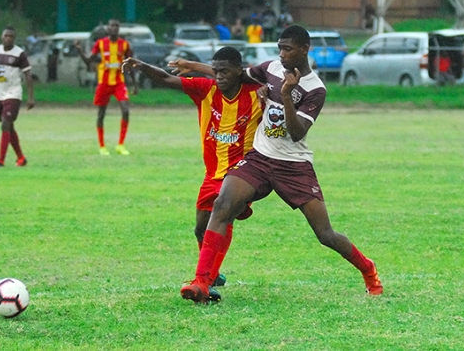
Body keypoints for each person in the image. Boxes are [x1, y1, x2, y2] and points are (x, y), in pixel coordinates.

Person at [178, 25, 383, 303]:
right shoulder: (271, 68)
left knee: (325, 234)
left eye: (288, 49)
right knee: (222, 204)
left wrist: (286, 94)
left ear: (304, 49)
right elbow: (232, 74)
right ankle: (201, 282)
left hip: (293, 166)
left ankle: (368, 269)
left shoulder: (315, 89)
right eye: (280, 48)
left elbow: (297, 132)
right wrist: (193, 66)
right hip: (260, 158)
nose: (282, 54)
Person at [121, 47, 264, 301]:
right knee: (200, 228)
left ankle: (206, 280)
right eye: (215, 70)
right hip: (212, 174)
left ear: (239, 72)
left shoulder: (256, 94)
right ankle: (211, 272)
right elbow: (166, 79)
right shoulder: (205, 89)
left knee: (223, 215)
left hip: (242, 174)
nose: (218, 76)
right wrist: (142, 66)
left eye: (224, 72)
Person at [76, 19, 137, 156]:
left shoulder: (125, 45)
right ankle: (102, 146)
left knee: (126, 110)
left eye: (116, 26)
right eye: (112, 26)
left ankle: (120, 145)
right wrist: (80, 50)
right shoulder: (100, 43)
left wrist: (134, 84)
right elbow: (89, 60)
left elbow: (130, 64)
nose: (114, 28)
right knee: (101, 114)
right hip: (103, 83)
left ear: (119, 28)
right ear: (108, 28)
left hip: (119, 82)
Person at [0, 26, 35, 168]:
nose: (8, 38)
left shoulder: (19, 54)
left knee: (5, 124)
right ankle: (21, 158)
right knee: (9, 127)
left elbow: (28, 76)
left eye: (11, 36)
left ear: (14, 39)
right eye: (6, 36)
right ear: (2, 37)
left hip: (14, 94)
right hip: (0, 93)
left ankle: (0, 161)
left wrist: (31, 97)